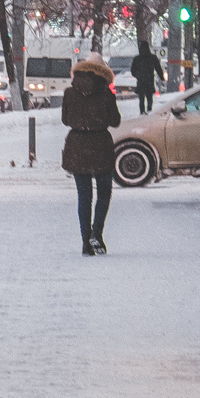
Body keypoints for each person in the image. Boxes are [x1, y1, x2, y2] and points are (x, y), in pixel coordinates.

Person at [63, 53, 122, 255]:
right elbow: (115, 121)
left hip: (77, 146)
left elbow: (65, 119)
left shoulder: (70, 93)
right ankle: (97, 233)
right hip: (100, 146)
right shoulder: (106, 93)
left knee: (84, 196)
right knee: (104, 193)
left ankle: (85, 243)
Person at [131, 40, 164, 113]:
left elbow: (133, 71)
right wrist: (162, 77)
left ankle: (142, 112)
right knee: (149, 97)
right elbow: (158, 68)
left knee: (141, 98)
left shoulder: (137, 59)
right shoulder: (153, 58)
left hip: (141, 81)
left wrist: (139, 76)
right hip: (150, 80)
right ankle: (149, 110)